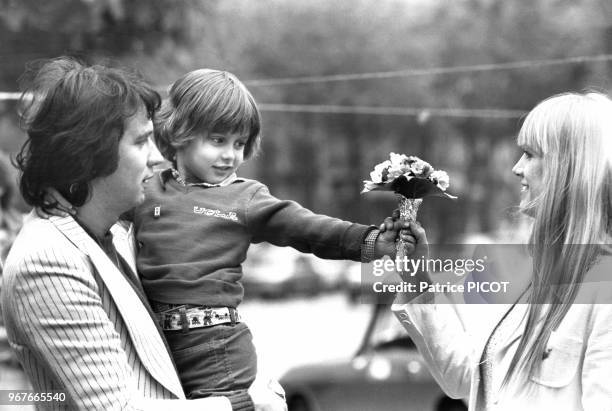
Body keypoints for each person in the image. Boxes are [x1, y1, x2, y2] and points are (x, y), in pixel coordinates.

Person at [1, 57, 287, 411]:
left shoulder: (115, 237)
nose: (156, 158)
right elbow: (118, 408)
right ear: (90, 152)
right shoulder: (46, 260)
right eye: (141, 142)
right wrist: (242, 404)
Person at [128, 68, 410, 400]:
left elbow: (310, 228)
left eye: (239, 143)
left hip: (215, 350)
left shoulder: (245, 198)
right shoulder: (146, 188)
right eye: (218, 140)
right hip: (155, 343)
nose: (230, 155)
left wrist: (372, 241)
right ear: (178, 132)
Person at [392, 92, 612, 410]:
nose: (515, 168)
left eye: (530, 154)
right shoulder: (533, 277)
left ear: (571, 169)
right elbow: (466, 378)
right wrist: (416, 278)